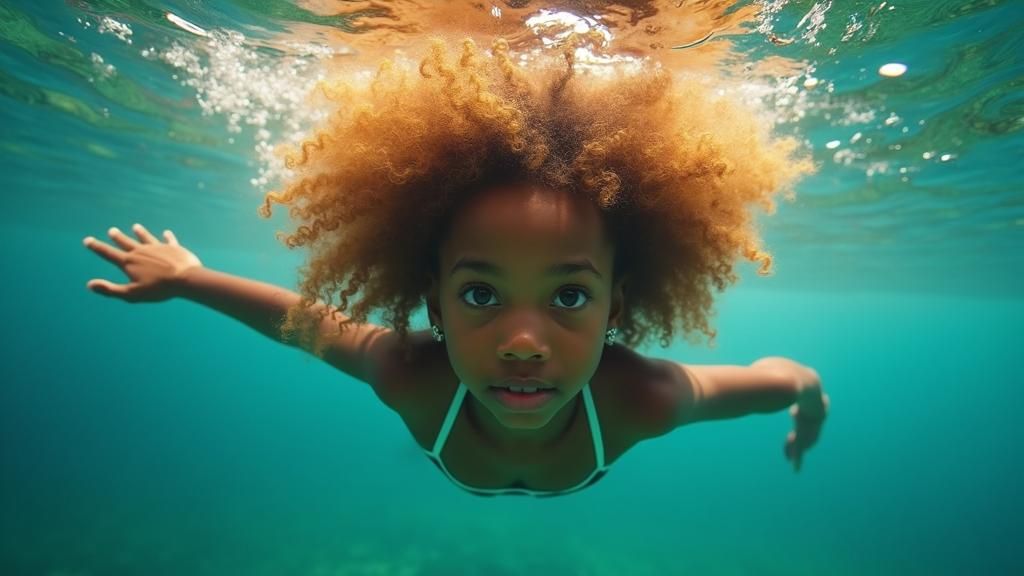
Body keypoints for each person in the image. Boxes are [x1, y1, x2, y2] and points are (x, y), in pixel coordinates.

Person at [82, 38, 830, 497]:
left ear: (618, 310)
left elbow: (783, 378)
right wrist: (187, 278)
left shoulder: (644, 398)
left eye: (570, 295)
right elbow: (305, 323)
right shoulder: (414, 375)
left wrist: (810, 407)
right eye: (480, 292)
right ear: (431, 304)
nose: (523, 342)